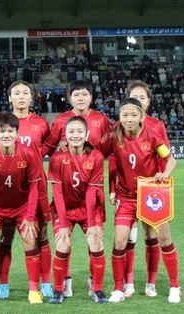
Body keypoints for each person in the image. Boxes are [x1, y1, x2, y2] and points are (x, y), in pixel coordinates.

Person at [97, 98, 181, 304]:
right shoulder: (114, 136)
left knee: (164, 239)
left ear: (142, 116)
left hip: (151, 195)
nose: (129, 119)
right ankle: (118, 288)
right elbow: (97, 154)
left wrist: (165, 173)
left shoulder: (152, 137)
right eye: (124, 115)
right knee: (119, 241)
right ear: (119, 117)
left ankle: (174, 287)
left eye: (134, 115)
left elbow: (170, 159)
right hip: (126, 197)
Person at [43, 79, 111, 297]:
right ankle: (64, 284)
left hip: (92, 183)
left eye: (84, 94)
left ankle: (96, 285)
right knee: (63, 242)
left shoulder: (101, 120)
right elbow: (48, 146)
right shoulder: (61, 121)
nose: (80, 98)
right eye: (76, 95)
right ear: (70, 97)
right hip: (67, 189)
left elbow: (111, 149)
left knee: (96, 241)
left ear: (91, 97)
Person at [0, 112, 42, 305]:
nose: (6, 135)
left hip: (21, 207)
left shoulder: (28, 154)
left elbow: (34, 187)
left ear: (17, 133)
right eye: (2, 131)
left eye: (10, 131)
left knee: (30, 239)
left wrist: (29, 216)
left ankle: (34, 291)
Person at [0, 80, 53, 299]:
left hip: (36, 186)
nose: (21, 96)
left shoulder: (41, 123)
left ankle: (45, 282)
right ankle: (3, 284)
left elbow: (48, 146)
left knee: (41, 235)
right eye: (16, 93)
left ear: (31, 97)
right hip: (7, 188)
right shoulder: (2, 123)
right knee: (6, 236)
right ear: (9, 98)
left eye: (25, 93)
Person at [114, 80, 171, 299]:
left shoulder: (156, 126)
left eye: (143, 97)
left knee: (151, 236)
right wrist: (112, 188)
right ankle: (128, 283)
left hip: (151, 191)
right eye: (134, 97)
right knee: (127, 237)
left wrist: (164, 184)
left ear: (148, 101)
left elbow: (165, 158)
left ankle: (151, 282)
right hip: (126, 192)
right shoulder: (120, 126)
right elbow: (113, 159)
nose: (139, 101)